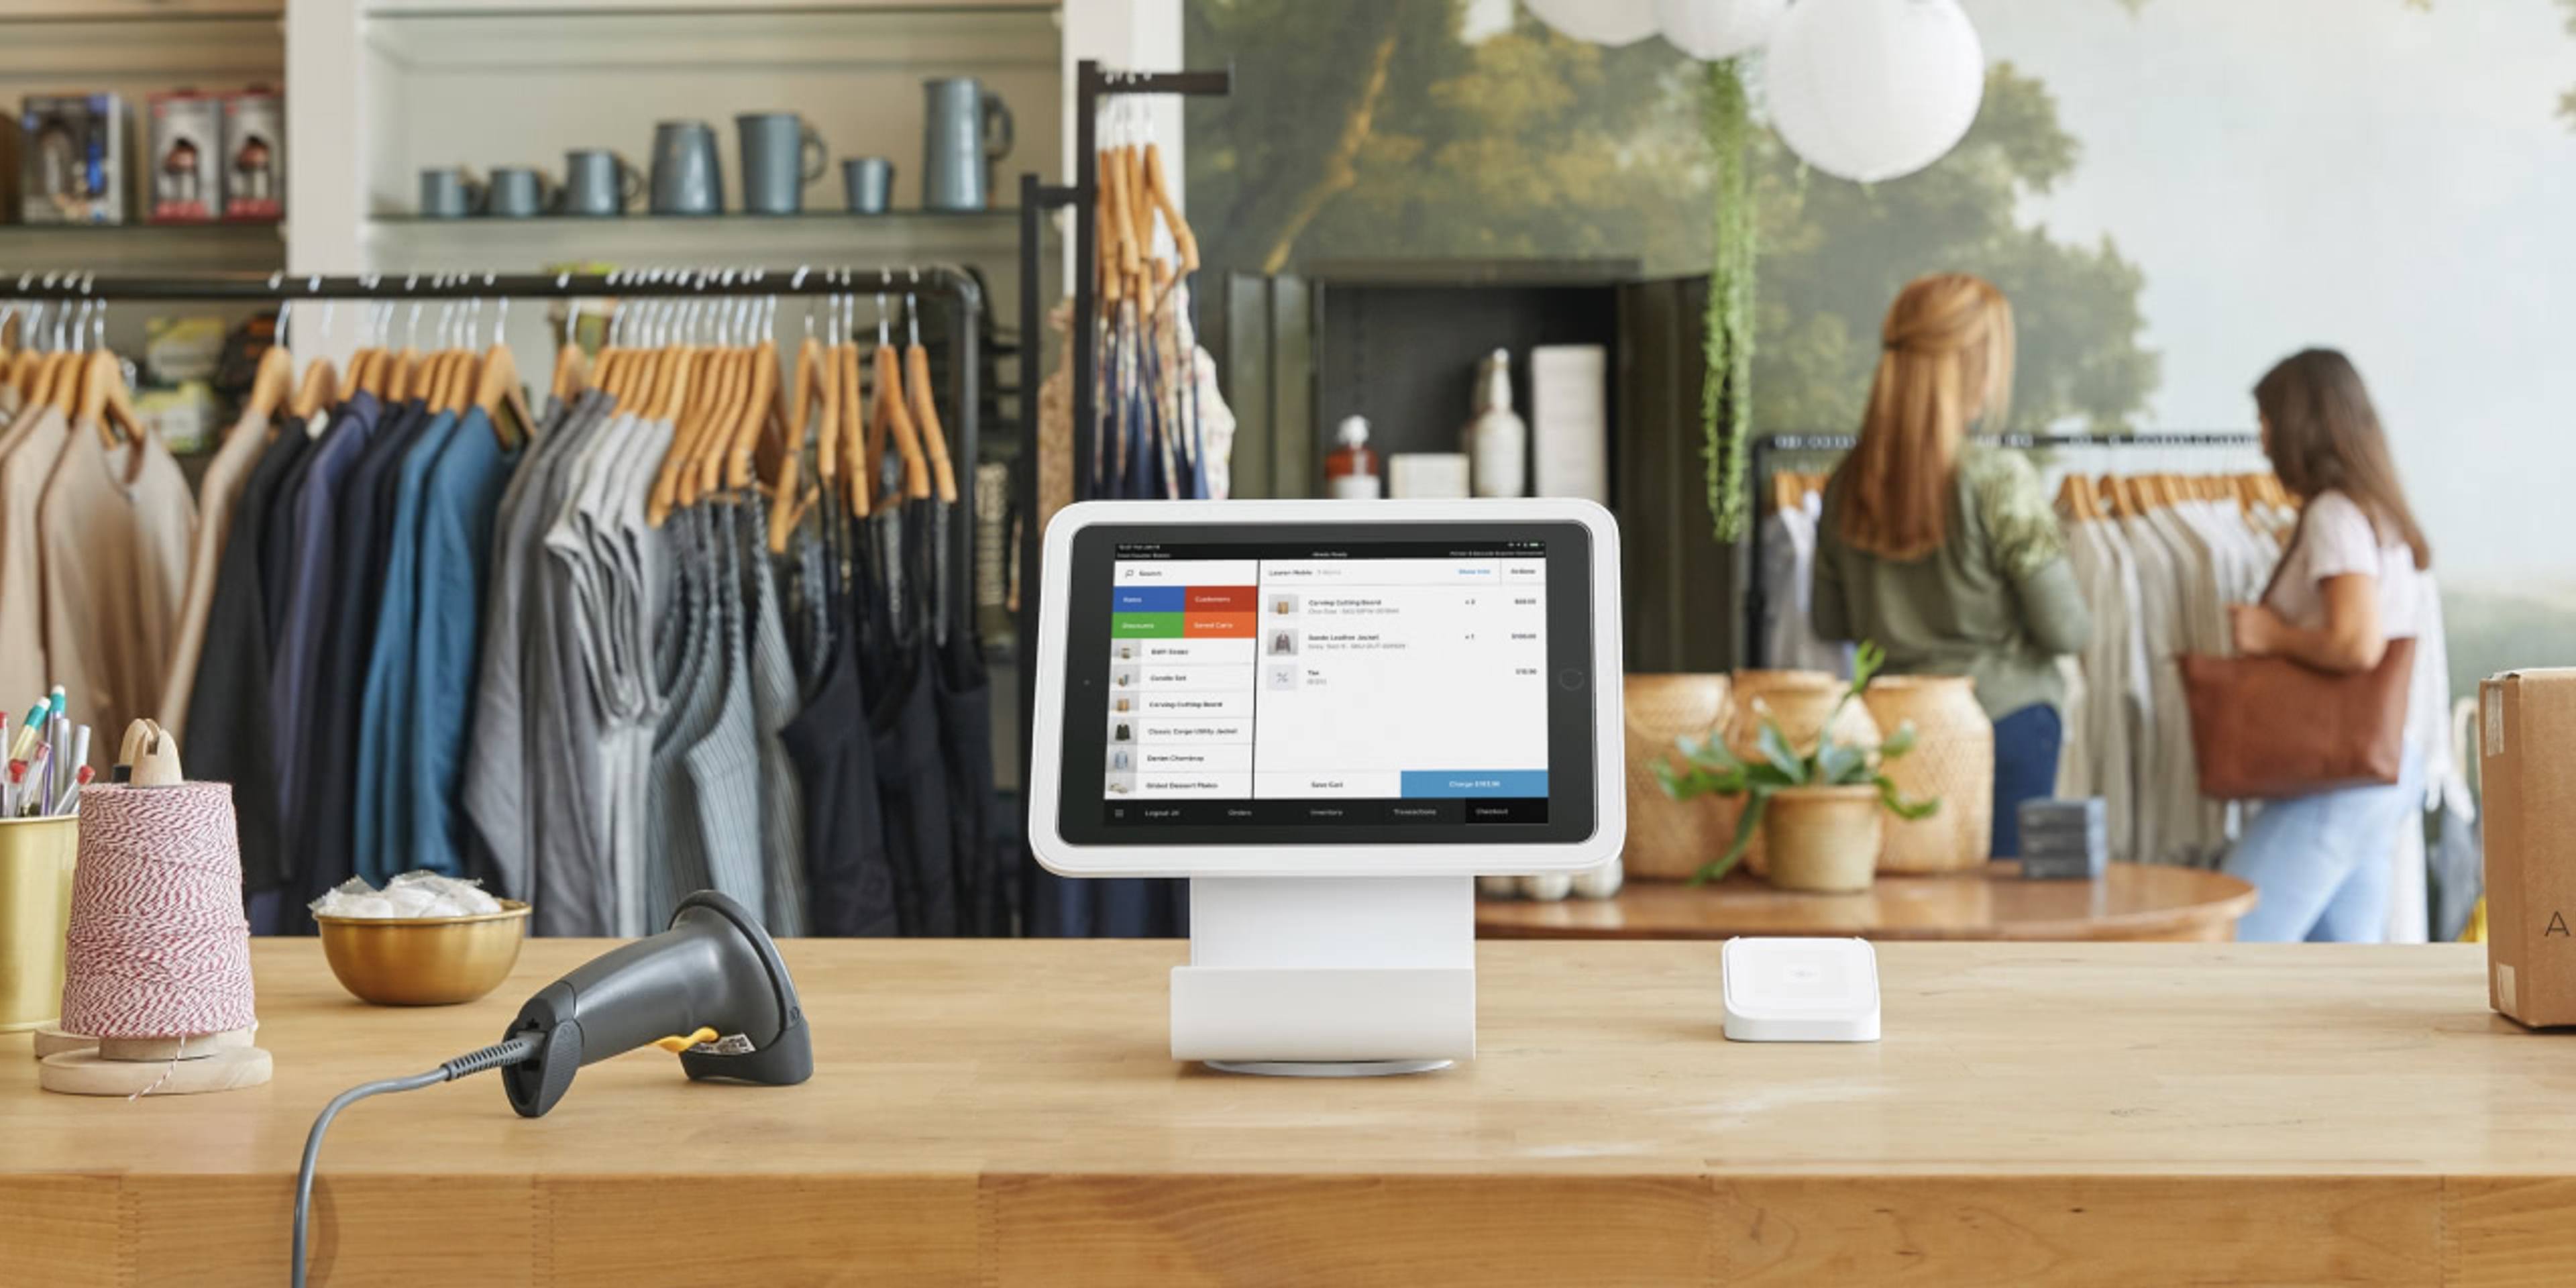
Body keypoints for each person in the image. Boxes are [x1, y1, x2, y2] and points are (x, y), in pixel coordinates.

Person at [1812, 273, 2090, 857]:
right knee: (2001, 919)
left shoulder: (1845, 484)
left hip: (1893, 731)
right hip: (2006, 725)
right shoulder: (1998, 480)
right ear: (1973, 367)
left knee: (1914, 913)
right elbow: (2066, 629)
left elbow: (1829, 620)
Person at [2222, 349, 2431, 943]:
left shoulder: (2333, 516)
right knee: (2340, 969)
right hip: (2381, 763)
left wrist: (2268, 633)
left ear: (2300, 423)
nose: (2262, 440)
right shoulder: (2380, 513)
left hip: (2337, 776)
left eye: (2267, 421)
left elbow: (2356, 643)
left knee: (2228, 943)